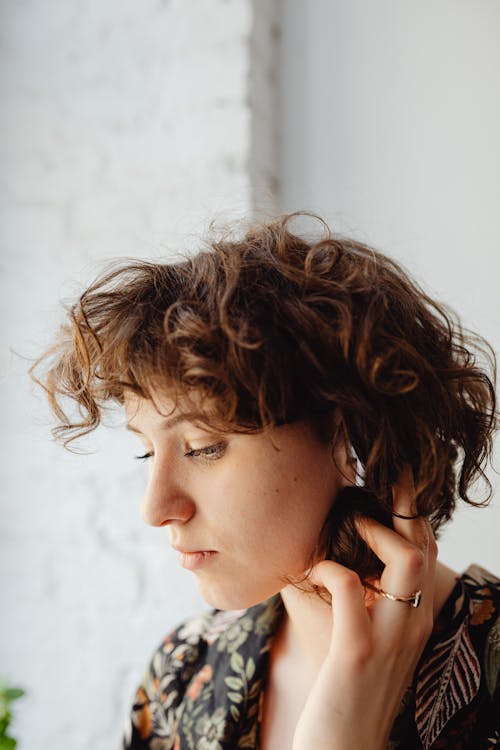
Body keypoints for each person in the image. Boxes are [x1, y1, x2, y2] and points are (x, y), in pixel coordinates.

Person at [32, 212, 500, 749]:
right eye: (145, 453)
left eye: (203, 447)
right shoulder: (182, 675)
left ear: (351, 436)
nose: (156, 507)